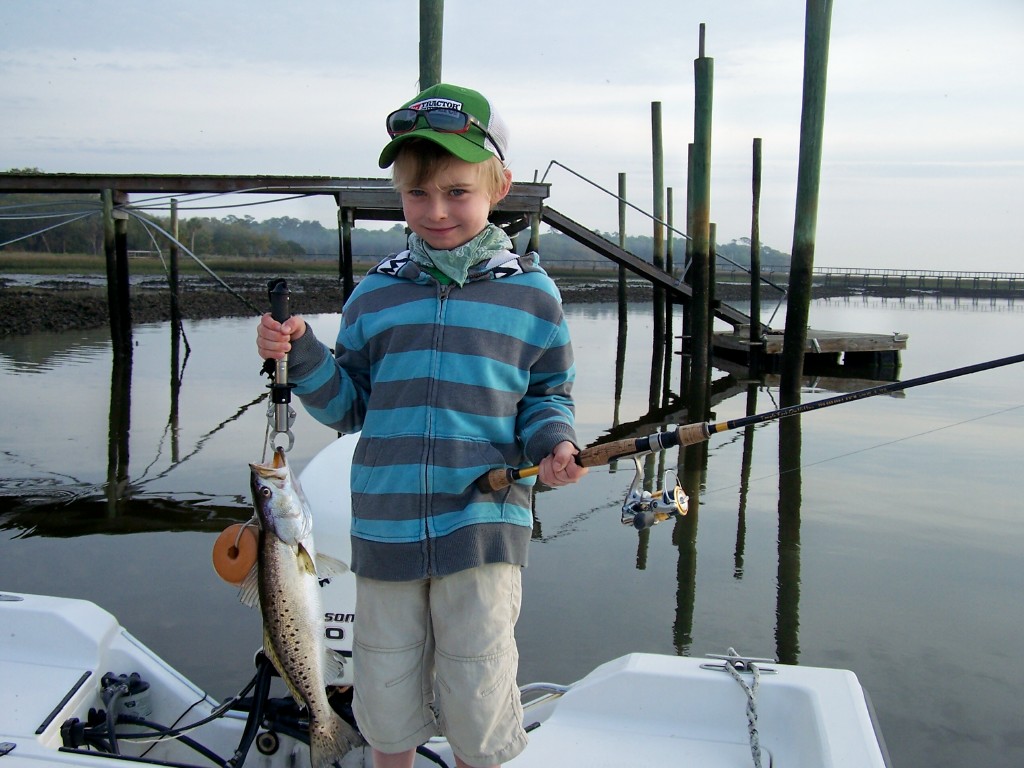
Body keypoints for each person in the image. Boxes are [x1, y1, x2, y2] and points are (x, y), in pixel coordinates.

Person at [256, 82, 587, 768]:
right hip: (386, 532)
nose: (436, 211)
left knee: (478, 692)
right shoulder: (375, 294)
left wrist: (554, 443)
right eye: (417, 194)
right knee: (386, 699)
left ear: (500, 185)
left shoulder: (533, 295)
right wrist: (305, 352)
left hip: (485, 532)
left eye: (457, 192)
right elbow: (349, 405)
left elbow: (548, 395)